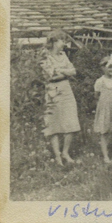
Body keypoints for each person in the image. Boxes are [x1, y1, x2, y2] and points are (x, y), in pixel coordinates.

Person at [40, 30, 81, 166]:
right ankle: (57, 155)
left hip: (66, 89)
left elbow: (73, 71)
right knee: (54, 123)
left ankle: (65, 152)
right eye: (62, 40)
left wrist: (61, 71)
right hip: (52, 90)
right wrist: (65, 72)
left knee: (71, 120)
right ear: (54, 41)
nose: (64, 43)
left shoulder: (63, 55)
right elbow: (49, 76)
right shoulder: (45, 56)